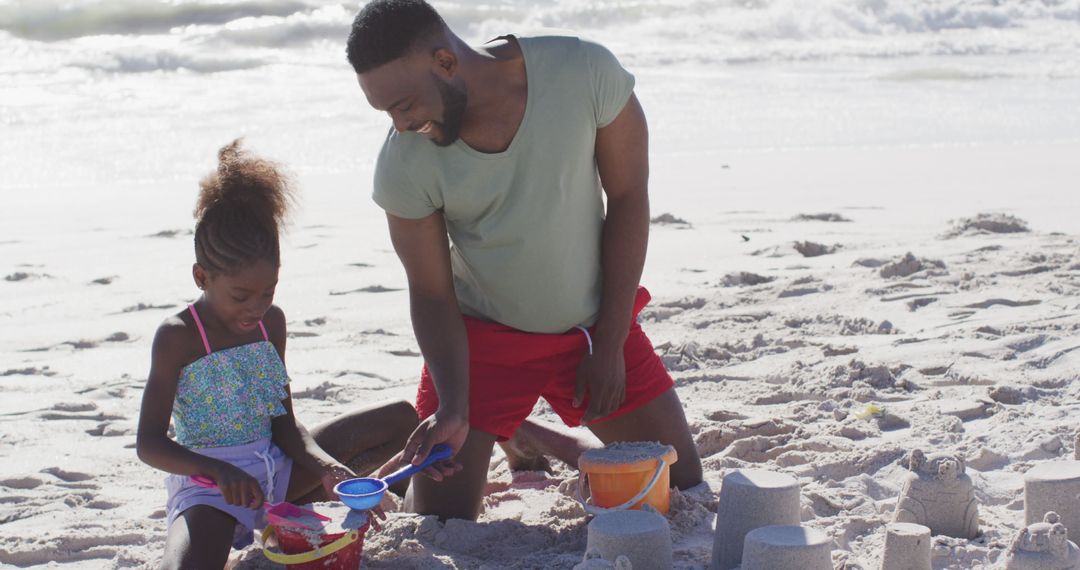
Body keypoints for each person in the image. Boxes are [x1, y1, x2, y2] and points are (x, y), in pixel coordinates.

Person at [345, 0, 703, 521]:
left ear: (445, 62)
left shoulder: (584, 72)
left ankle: (520, 429)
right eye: (386, 113)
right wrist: (451, 404)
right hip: (481, 345)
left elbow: (628, 197)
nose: (400, 125)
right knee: (438, 520)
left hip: (590, 329)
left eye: (403, 104)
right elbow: (430, 292)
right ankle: (506, 425)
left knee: (680, 484)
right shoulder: (404, 161)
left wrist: (608, 343)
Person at [135, 140, 430, 569]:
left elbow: (285, 424)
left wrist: (328, 467)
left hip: (279, 474)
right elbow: (149, 443)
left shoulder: (270, 322)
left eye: (268, 291)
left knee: (404, 420)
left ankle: (358, 494)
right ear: (202, 276)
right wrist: (220, 472)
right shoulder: (178, 336)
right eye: (240, 295)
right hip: (212, 490)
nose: (255, 307)